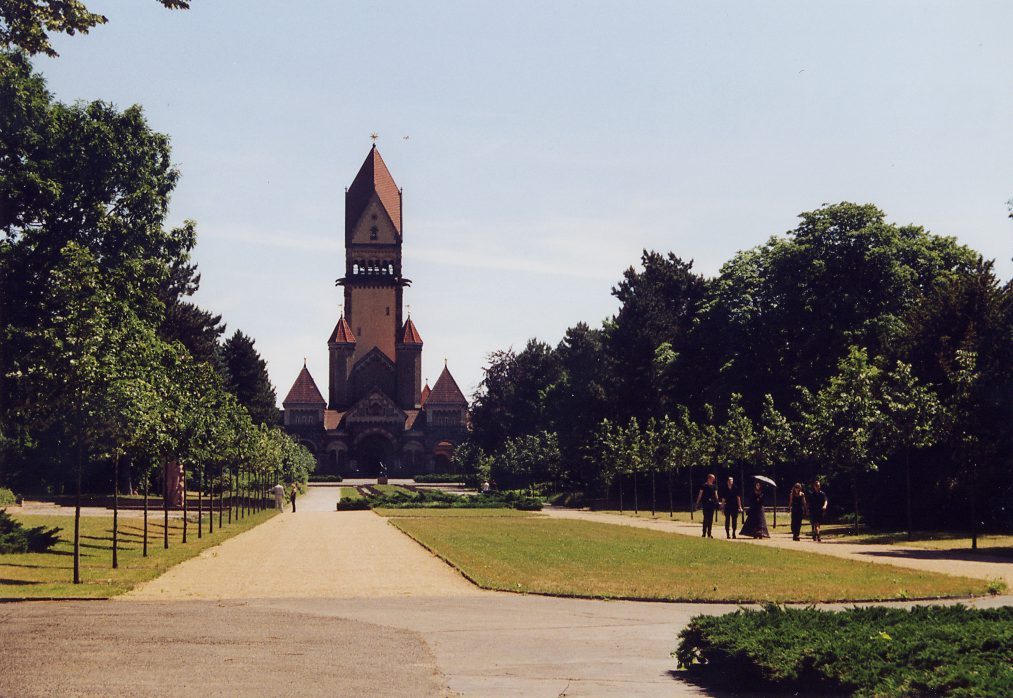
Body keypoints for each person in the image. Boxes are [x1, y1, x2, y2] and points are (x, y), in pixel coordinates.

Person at [694, 473, 719, 538]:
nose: (713, 480)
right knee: (705, 518)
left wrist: (717, 502)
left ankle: (709, 533)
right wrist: (697, 503)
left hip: (712, 504)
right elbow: (700, 495)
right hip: (705, 504)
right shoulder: (703, 486)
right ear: (709, 478)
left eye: (714, 479)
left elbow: (716, 495)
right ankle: (704, 532)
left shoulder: (714, 486)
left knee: (710, 519)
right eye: (712, 478)